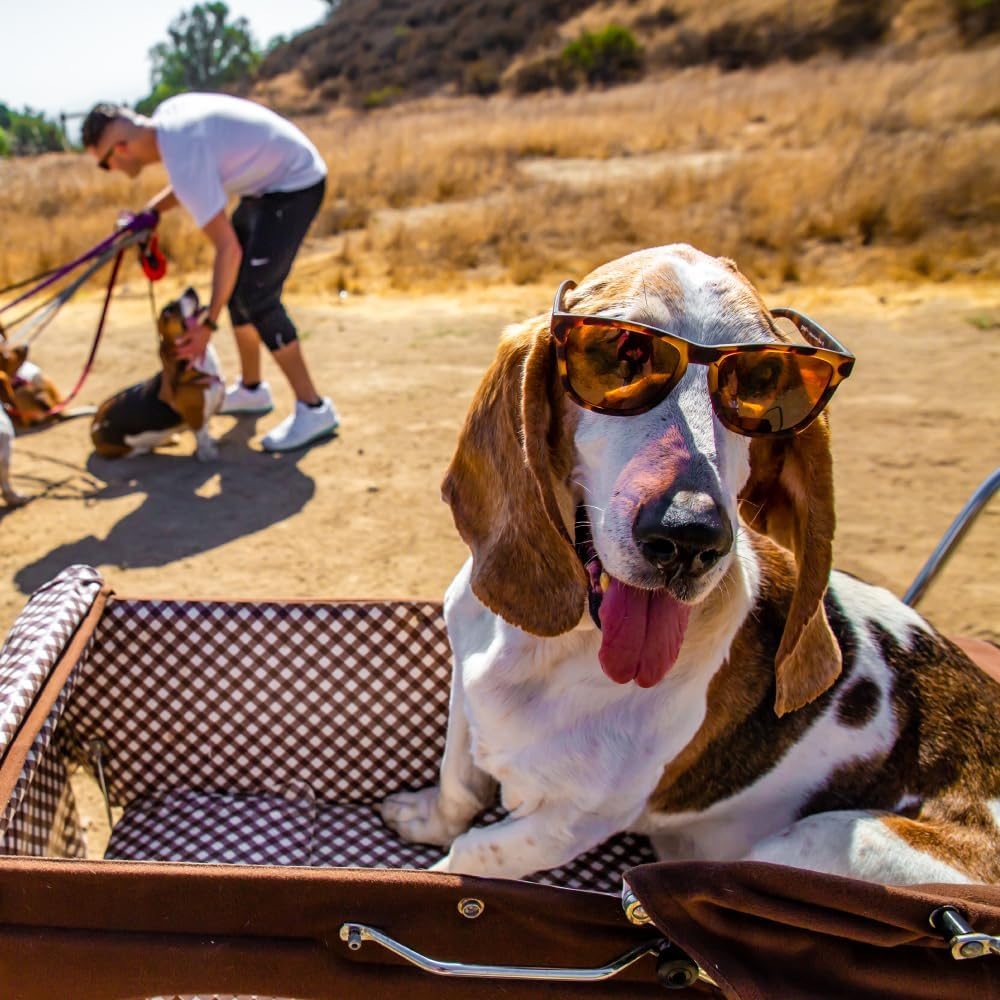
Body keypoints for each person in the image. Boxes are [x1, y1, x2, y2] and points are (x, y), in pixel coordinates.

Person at [82, 93, 338, 452]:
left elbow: (227, 249)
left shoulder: (180, 152)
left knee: (257, 295)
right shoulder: (171, 123)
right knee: (237, 290)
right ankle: (252, 390)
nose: (114, 172)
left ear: (120, 150)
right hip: (265, 187)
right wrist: (152, 213)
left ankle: (314, 408)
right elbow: (195, 180)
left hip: (294, 184)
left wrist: (209, 325)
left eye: (105, 165)